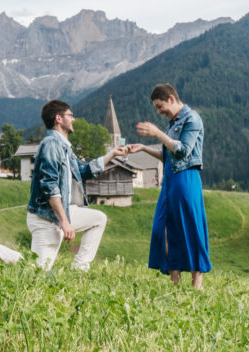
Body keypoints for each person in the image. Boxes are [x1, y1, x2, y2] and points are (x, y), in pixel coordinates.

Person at [127, 83, 211, 290]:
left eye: (159, 106)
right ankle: (175, 279)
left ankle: (196, 282)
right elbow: (168, 154)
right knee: (163, 228)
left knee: (190, 227)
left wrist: (157, 134)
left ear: (171, 99)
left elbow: (182, 151)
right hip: (170, 180)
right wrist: (145, 148)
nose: (158, 111)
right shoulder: (172, 123)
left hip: (186, 178)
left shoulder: (192, 119)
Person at [26, 99, 127, 270]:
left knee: (98, 219)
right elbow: (50, 186)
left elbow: (83, 170)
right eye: (70, 115)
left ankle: (80, 268)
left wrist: (112, 154)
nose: (73, 119)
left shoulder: (65, 148)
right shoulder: (51, 145)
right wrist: (65, 222)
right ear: (58, 118)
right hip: (46, 218)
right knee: (38, 272)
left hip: (61, 213)